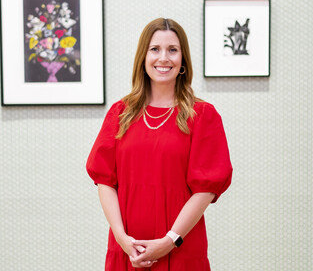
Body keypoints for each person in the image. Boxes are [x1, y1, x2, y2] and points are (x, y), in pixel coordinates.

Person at [86, 18, 233, 270]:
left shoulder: (203, 115)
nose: (163, 57)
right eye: (155, 49)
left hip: (181, 250)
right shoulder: (120, 113)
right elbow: (104, 181)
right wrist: (122, 239)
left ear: (183, 60)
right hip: (127, 250)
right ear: (143, 57)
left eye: (172, 50)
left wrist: (169, 241)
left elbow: (206, 190)